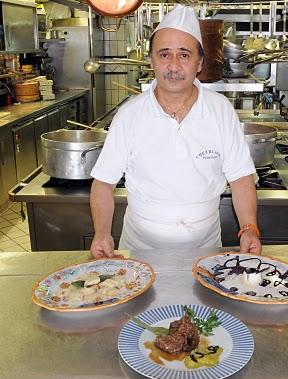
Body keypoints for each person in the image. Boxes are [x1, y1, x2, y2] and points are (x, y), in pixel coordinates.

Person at [90, 4, 262, 258]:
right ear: (152, 61)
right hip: (140, 251)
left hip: (205, 250)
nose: (173, 65)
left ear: (199, 63)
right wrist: (102, 232)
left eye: (183, 55)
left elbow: (241, 178)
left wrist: (249, 228)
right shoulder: (130, 114)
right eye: (164, 54)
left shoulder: (220, 110)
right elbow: (103, 184)